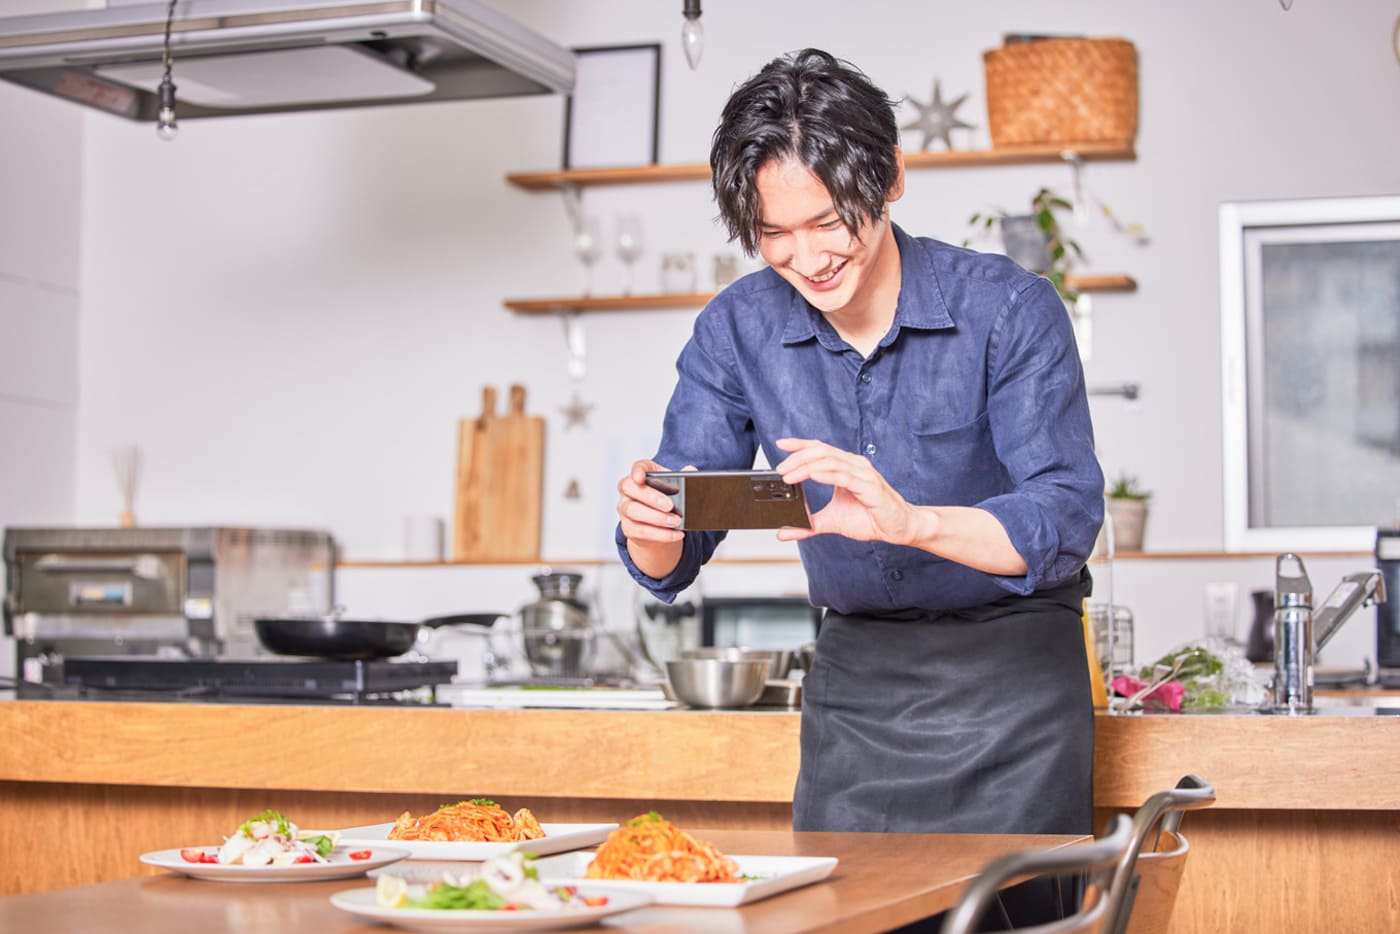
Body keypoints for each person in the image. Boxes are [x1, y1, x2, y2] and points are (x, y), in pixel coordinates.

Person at [614, 48, 1104, 841]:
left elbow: (1065, 515)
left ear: (891, 180)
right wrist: (653, 526)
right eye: (774, 234)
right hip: (856, 691)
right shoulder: (738, 329)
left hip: (1014, 691)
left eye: (829, 222)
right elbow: (682, 533)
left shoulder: (1009, 309)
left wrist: (913, 523)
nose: (806, 259)